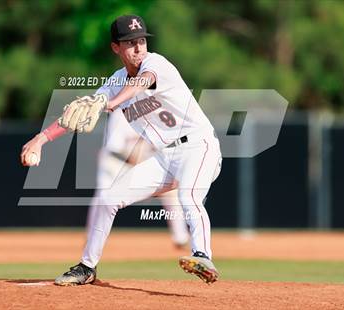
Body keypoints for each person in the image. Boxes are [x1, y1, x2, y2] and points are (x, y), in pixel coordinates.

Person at [21, 14, 222, 285]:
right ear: (116, 47)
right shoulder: (115, 81)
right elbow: (77, 114)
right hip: (164, 156)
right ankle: (86, 267)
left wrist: (113, 103)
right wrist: (41, 139)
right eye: (130, 43)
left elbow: (142, 81)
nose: (138, 48)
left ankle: (203, 256)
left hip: (199, 147)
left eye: (141, 41)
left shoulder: (156, 64)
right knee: (108, 197)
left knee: (188, 195)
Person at [87, 108, 190, 248]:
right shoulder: (121, 114)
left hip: (141, 162)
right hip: (117, 163)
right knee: (102, 197)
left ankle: (180, 237)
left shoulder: (157, 114)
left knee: (171, 191)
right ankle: (91, 238)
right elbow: (116, 148)